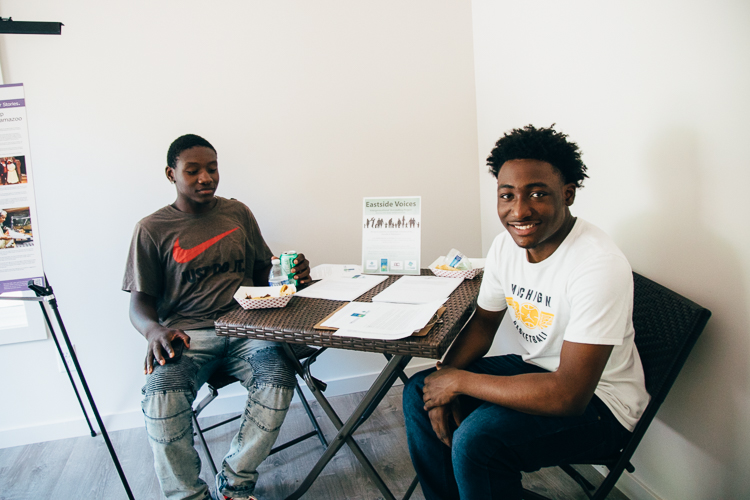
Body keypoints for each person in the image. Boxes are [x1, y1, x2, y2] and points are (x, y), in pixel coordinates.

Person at [402, 124, 649, 500]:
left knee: (477, 440)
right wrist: (444, 376)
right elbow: (483, 324)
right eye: (507, 195)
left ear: (567, 195)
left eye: (537, 194)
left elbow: (569, 395)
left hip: (601, 406)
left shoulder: (597, 264)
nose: (519, 210)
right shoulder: (506, 247)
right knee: (420, 391)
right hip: (541, 371)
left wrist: (459, 382)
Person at [123, 134, 312, 500]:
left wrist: (292, 276)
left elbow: (264, 276)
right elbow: (139, 304)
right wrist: (152, 331)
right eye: (192, 171)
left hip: (248, 327)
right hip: (188, 338)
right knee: (160, 394)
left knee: (277, 378)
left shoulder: (237, 213)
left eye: (212, 168)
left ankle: (236, 483)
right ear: (171, 174)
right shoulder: (152, 229)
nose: (205, 178)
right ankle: (188, 495)